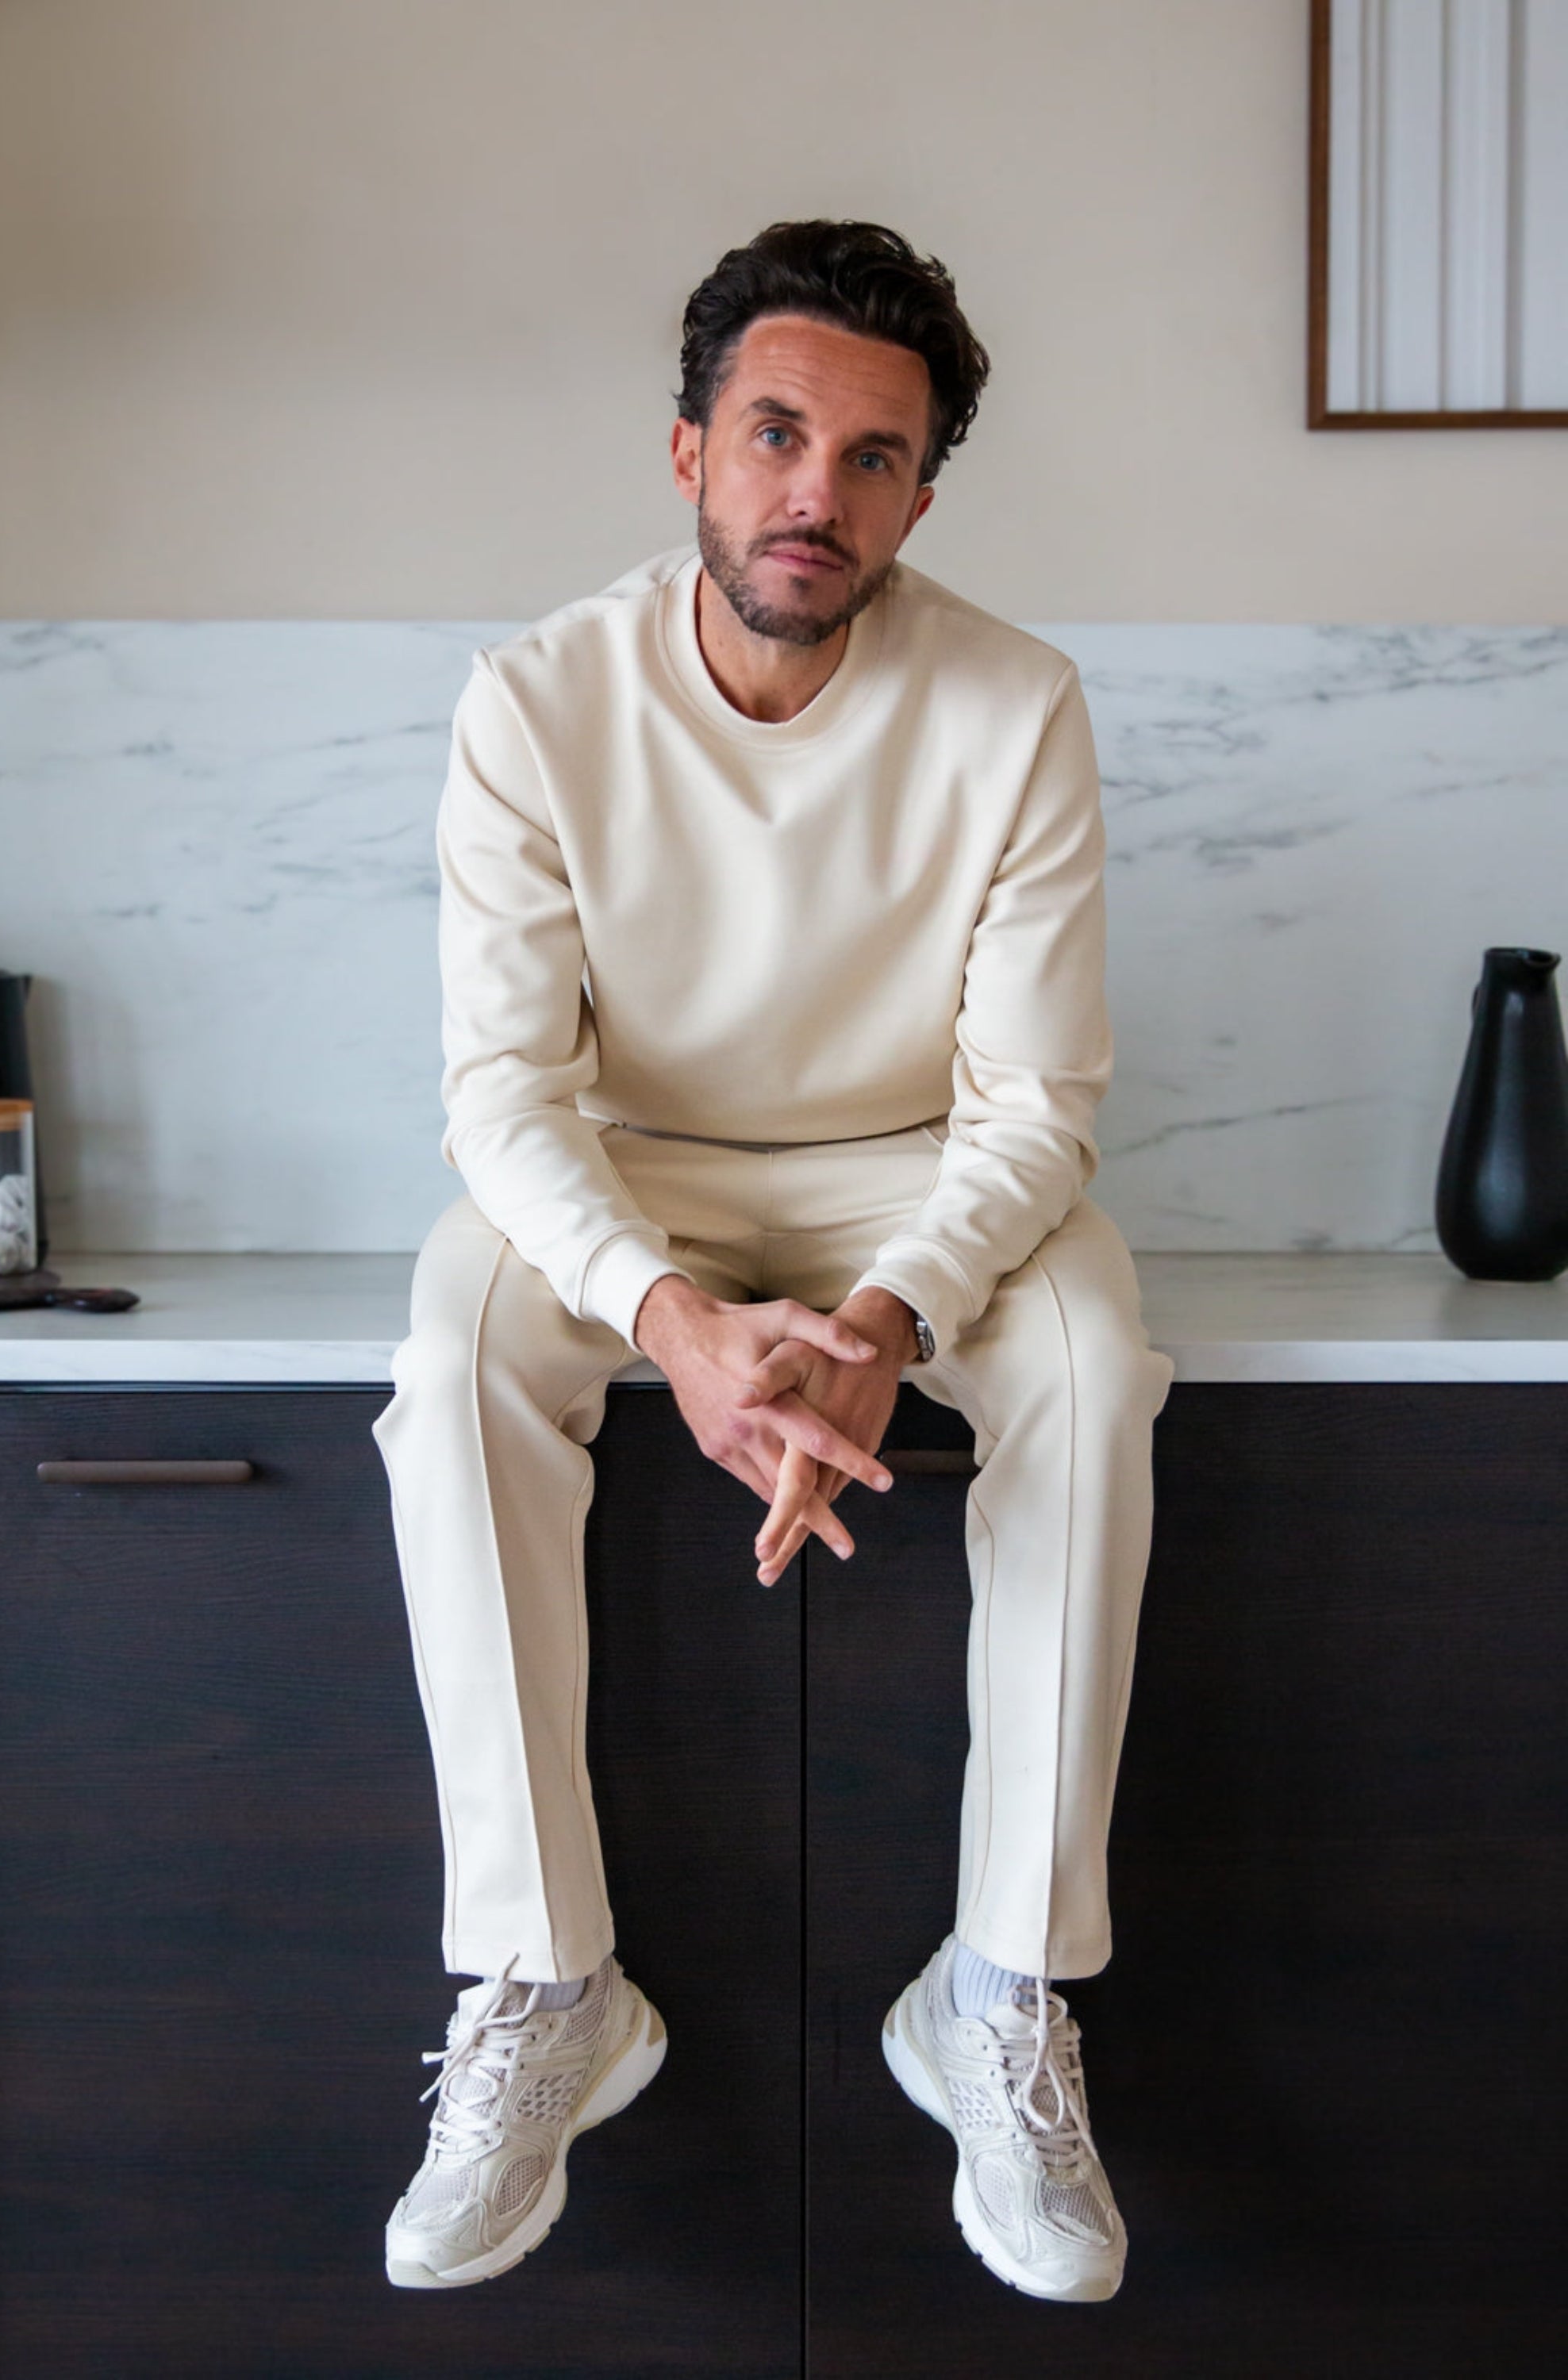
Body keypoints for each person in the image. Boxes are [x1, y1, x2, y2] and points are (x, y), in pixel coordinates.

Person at [371, 217, 1175, 2304]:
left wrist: (887, 1320)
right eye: (776, 435)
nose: (818, 491)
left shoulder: (1017, 704)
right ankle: (548, 1982)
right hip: (626, 1179)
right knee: (458, 1336)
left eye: (874, 457)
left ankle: (998, 1986)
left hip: (916, 1181)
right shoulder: (534, 701)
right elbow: (501, 1095)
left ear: (921, 497)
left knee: (1093, 1354)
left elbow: (1036, 1106)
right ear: (691, 454)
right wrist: (674, 1320)